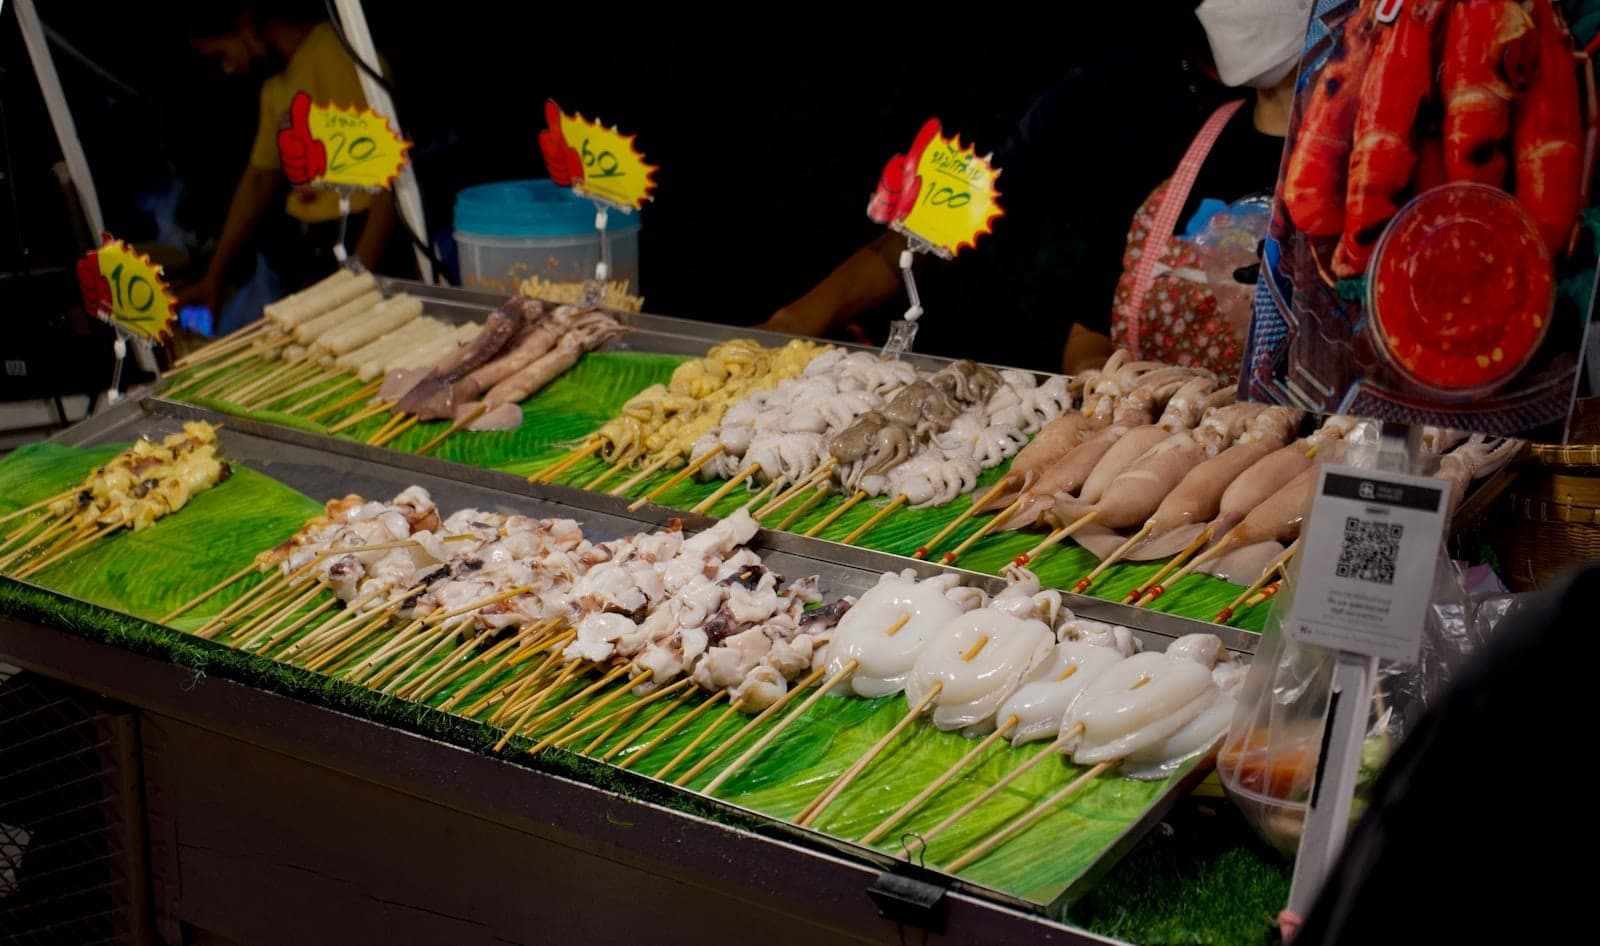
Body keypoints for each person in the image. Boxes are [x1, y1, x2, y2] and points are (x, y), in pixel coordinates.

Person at [761, 1, 1310, 376]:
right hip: (1018, 385)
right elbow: (949, 212)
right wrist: (795, 322)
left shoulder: (1361, 149)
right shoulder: (1119, 85)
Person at [179, 1, 397, 329]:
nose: (227, 68)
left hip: (358, 244)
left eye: (221, 55)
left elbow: (389, 187)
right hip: (308, 253)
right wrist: (215, 276)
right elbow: (258, 180)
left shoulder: (336, 55)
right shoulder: (274, 84)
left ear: (246, 25)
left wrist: (355, 285)